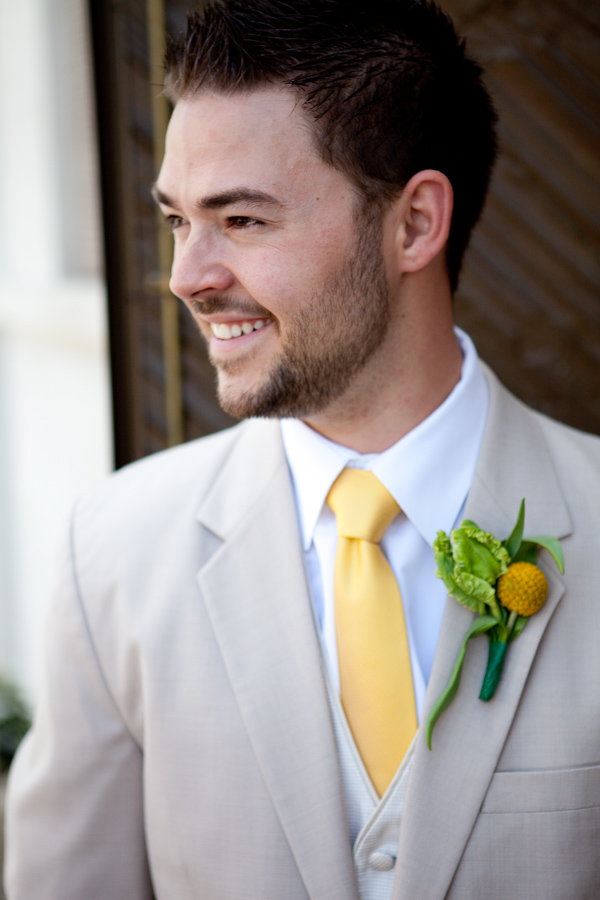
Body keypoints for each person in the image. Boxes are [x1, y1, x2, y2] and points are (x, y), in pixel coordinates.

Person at [5, 1, 600, 898]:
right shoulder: (114, 552)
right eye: (177, 221)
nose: (186, 277)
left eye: (242, 221)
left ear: (413, 225)